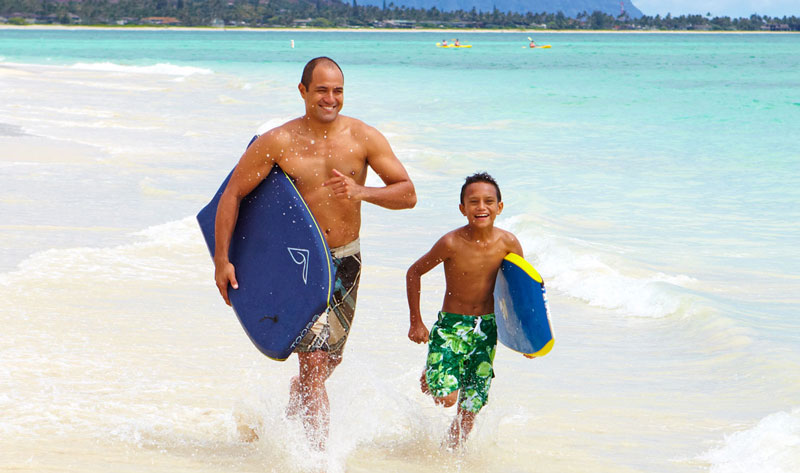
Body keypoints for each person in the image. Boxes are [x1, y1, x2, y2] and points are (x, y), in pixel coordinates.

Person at [213, 56, 417, 448]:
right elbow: (232, 194)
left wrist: (362, 192)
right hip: (298, 266)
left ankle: (291, 409)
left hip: (346, 261)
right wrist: (223, 260)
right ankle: (318, 458)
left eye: (337, 90)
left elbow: (407, 193)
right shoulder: (278, 142)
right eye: (321, 89)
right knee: (315, 361)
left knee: (327, 363)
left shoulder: (364, 138)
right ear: (303, 91)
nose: (330, 98)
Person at [406, 172, 523, 448]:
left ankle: (453, 448)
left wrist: (525, 338)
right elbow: (414, 272)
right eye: (473, 202)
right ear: (462, 209)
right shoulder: (451, 243)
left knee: (473, 401)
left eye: (488, 201)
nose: (481, 207)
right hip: (452, 327)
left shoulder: (509, 244)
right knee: (446, 398)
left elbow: (519, 291)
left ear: (499, 207)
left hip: (487, 328)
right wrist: (416, 322)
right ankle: (432, 369)